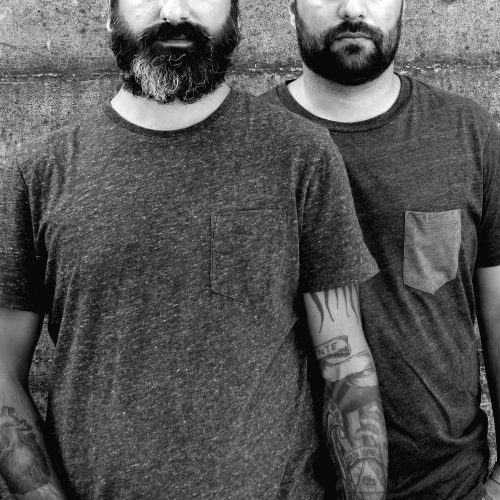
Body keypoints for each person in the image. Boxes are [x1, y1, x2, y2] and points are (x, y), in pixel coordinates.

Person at [0, 0, 387, 498]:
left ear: (235, 16)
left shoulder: (300, 154)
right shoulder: (41, 172)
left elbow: (344, 359)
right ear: (110, 16)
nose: (173, 11)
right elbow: (3, 372)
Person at [260, 0, 500, 499]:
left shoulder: (467, 133)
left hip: (453, 486)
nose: (352, 8)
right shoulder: (250, 143)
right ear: (291, 10)